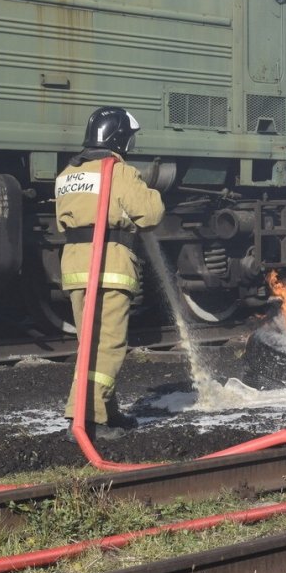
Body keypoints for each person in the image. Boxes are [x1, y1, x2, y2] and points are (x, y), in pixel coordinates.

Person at [55, 106, 165, 439]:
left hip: (76, 265)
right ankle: (88, 420)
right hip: (108, 265)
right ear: (119, 138)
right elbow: (151, 213)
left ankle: (107, 410)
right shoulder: (117, 171)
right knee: (109, 344)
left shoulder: (67, 174)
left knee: (90, 340)